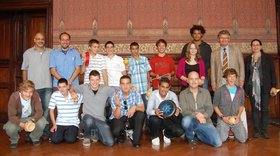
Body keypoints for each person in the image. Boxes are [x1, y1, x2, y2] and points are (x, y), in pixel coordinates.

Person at [70, 70, 114, 147]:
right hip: (87, 119)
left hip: (100, 120)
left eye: (97, 79)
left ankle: (95, 132)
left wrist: (131, 87)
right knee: (88, 119)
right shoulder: (84, 87)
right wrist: (73, 93)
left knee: (110, 143)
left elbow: (119, 91)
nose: (95, 82)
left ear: (100, 80)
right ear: (89, 80)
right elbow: (72, 88)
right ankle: (87, 135)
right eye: (92, 80)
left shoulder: (106, 89)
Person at [21, 32, 52, 140]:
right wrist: (26, 87)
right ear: (34, 40)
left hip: (47, 86)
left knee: (47, 109)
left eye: (42, 39)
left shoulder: (51, 52)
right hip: (33, 89)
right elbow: (24, 69)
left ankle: (45, 132)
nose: (40, 41)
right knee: (33, 111)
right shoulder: (27, 53)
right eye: (38, 39)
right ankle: (30, 132)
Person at [244, 39, 277, 139]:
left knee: (264, 109)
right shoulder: (248, 59)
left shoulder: (268, 58)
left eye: (257, 45)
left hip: (265, 87)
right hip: (252, 88)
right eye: (253, 45)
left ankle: (264, 130)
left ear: (261, 46)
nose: (255, 47)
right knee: (254, 110)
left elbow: (272, 72)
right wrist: (246, 88)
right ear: (251, 47)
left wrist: (274, 86)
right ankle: (257, 130)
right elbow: (246, 74)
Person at [180, 71, 222, 147]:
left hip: (205, 121)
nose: (193, 81)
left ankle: (198, 135)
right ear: (188, 80)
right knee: (185, 121)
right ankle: (190, 137)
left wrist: (203, 115)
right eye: (191, 79)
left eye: (196, 79)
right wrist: (197, 115)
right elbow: (184, 111)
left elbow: (210, 108)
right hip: (191, 120)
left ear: (199, 80)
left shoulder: (206, 92)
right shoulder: (183, 94)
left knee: (218, 143)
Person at [3, 80, 47, 149]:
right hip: (18, 119)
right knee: (9, 128)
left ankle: (34, 137)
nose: (28, 94)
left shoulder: (35, 95)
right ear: (21, 90)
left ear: (33, 91)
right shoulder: (14, 97)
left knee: (42, 122)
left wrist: (32, 120)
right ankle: (14, 140)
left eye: (30, 92)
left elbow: (39, 111)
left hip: (31, 118)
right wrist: (21, 124)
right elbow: (11, 116)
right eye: (25, 91)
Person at [213, 68, 248, 143]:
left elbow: (241, 105)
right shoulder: (219, 91)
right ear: (226, 78)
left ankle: (232, 130)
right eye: (229, 76)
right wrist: (222, 117)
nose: (232, 79)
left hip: (235, 118)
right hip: (224, 119)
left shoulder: (240, 90)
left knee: (243, 139)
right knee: (221, 139)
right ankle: (221, 128)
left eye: (234, 76)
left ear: (236, 77)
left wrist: (238, 117)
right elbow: (215, 106)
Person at [110, 75, 145, 148]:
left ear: (130, 84)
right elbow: (116, 116)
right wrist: (118, 105)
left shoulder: (136, 93)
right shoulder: (114, 96)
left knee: (140, 114)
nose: (125, 86)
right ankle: (122, 134)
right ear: (120, 85)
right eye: (123, 84)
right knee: (116, 131)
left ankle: (136, 141)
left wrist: (135, 107)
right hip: (120, 118)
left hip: (131, 118)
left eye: (127, 83)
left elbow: (142, 109)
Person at [147, 77, 184, 146]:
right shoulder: (153, 94)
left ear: (169, 87)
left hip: (168, 119)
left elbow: (177, 107)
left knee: (179, 130)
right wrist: (155, 112)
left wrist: (177, 110)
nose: (164, 89)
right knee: (153, 119)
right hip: (157, 119)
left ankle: (167, 134)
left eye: (167, 87)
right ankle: (154, 136)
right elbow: (148, 111)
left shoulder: (172, 94)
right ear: (158, 86)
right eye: (162, 87)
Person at [49, 78, 83, 144]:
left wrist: (73, 92)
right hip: (60, 122)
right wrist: (54, 124)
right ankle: (61, 134)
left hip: (73, 123)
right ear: (57, 87)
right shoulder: (55, 95)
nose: (62, 89)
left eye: (64, 87)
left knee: (70, 140)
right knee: (55, 140)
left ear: (68, 86)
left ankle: (67, 134)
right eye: (60, 87)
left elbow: (87, 97)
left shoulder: (77, 96)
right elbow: (51, 110)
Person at [128, 42, 151, 109]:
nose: (134, 51)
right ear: (130, 50)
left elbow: (147, 72)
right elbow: (128, 76)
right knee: (137, 108)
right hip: (134, 90)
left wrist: (149, 85)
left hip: (144, 88)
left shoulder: (144, 59)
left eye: (136, 49)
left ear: (138, 49)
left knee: (147, 107)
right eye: (132, 49)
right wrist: (130, 86)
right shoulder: (128, 61)